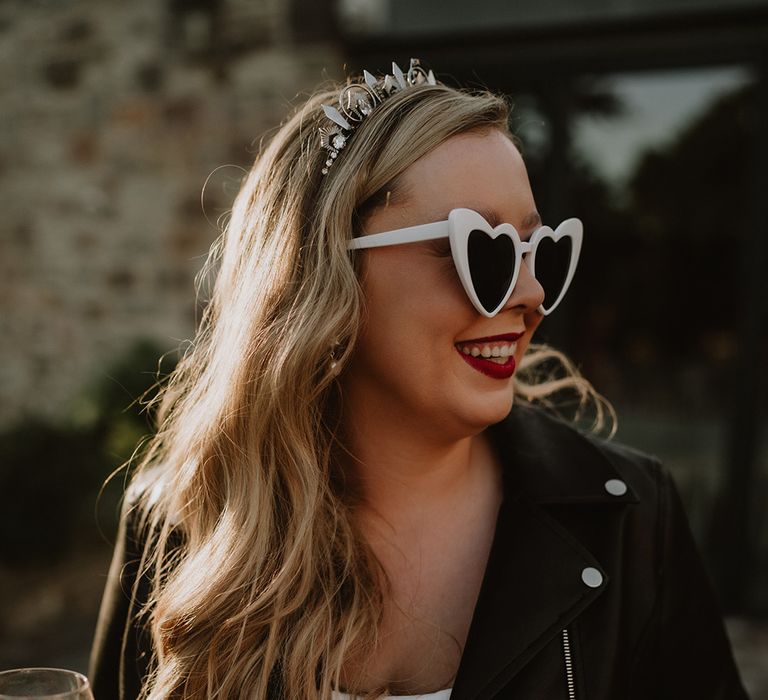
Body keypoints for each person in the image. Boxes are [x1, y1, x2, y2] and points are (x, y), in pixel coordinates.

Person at [89, 59, 749, 700]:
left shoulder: (630, 517)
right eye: (480, 250)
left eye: (541, 250)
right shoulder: (181, 519)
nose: (531, 293)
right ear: (325, 276)